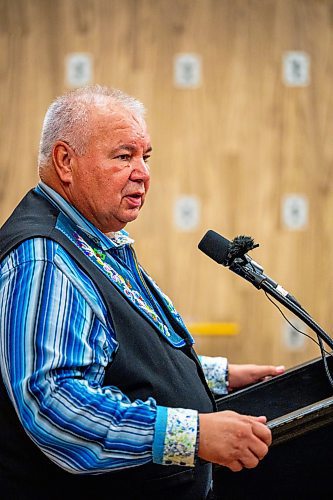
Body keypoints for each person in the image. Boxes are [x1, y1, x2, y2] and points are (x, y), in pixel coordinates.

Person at [0, 85, 285, 500]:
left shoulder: (93, 241)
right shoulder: (43, 257)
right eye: (123, 156)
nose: (143, 173)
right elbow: (54, 406)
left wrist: (217, 378)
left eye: (145, 157)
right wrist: (195, 434)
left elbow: (118, 358)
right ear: (65, 161)